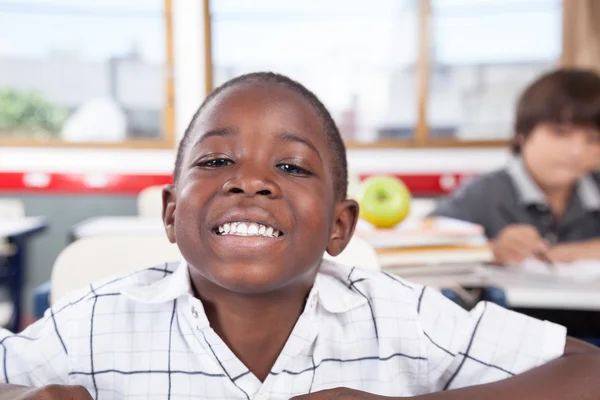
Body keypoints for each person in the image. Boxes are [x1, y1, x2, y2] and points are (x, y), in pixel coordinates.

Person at [1, 72, 599, 400]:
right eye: (215, 162)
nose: (251, 182)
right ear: (170, 212)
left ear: (340, 226)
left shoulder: (402, 318)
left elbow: (588, 371)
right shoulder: (96, 323)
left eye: (290, 167)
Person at [431, 68, 600, 265]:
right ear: (523, 133)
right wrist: (491, 250)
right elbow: (414, 250)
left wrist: (578, 251)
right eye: (560, 133)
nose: (577, 151)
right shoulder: (482, 194)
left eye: (594, 139)